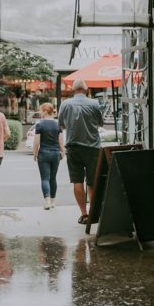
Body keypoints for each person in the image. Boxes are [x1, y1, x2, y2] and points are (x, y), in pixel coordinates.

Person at [58, 79, 104, 226]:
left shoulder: (65, 104)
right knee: (92, 182)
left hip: (73, 147)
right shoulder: (94, 104)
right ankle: (93, 213)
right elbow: (100, 123)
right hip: (92, 148)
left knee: (77, 181)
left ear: (73, 90)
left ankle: (83, 214)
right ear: (86, 90)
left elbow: (61, 125)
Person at [32, 102, 65, 210]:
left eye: (41, 110)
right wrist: (63, 152)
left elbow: (36, 142)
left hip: (44, 154)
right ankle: (53, 201)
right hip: (55, 154)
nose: (40, 113)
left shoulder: (40, 125)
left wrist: (35, 153)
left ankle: (46, 201)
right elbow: (61, 141)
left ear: (45, 111)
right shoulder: (58, 124)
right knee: (53, 178)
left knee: (45, 178)